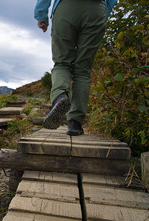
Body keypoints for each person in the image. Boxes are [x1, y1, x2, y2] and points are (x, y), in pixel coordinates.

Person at [35, 0, 118, 136]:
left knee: (62, 63)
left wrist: (41, 15)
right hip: (96, 9)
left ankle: (60, 96)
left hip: (66, 8)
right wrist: (103, 12)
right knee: (83, 70)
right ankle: (75, 123)